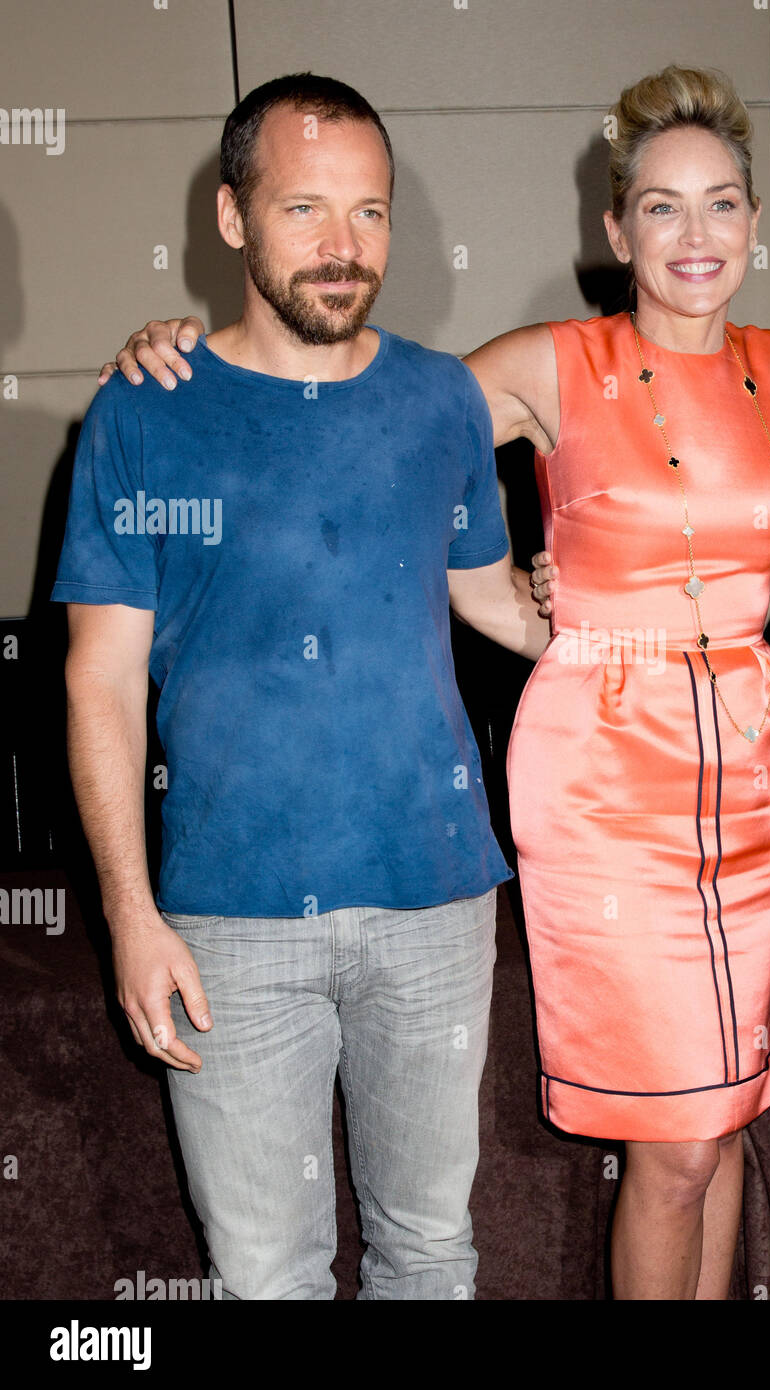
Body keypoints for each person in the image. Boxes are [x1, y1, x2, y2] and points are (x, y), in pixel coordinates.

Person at [104, 69, 770, 1301]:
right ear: (616, 231)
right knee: (670, 1138)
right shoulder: (550, 364)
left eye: (720, 205)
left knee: (719, 1121)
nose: (695, 236)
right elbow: (366, 411)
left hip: (769, 781)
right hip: (611, 787)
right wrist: (187, 349)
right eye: (661, 209)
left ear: (753, 223)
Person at [57, 73, 549, 1301]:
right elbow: (100, 680)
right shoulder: (140, 410)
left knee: (430, 1253)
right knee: (267, 1276)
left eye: (371, 214)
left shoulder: (441, 398)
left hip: (437, 898)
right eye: (305, 211)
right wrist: (129, 910)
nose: (344, 250)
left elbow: (492, 599)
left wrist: (639, 626)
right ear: (231, 218)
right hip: (228, 916)